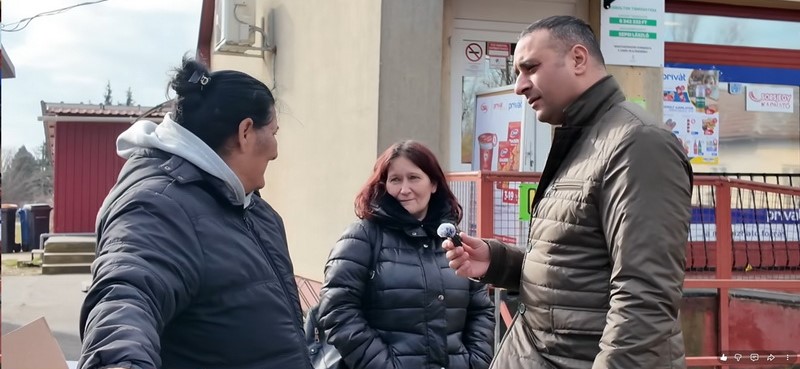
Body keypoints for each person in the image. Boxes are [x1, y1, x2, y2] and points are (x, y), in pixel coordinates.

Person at [444, 15, 693, 369]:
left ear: (578, 59)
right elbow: (579, 267)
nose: (519, 86)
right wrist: (498, 262)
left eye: (530, 68)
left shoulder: (638, 143)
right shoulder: (582, 137)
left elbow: (646, 296)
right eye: (517, 72)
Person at [78, 57, 313, 369]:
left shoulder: (255, 212)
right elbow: (123, 301)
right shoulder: (157, 206)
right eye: (273, 131)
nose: (276, 150)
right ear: (245, 132)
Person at [317, 140, 495, 369]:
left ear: (433, 184)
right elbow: (337, 309)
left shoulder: (454, 241)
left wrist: (476, 362)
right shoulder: (363, 237)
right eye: (395, 180)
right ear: (384, 185)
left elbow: (481, 309)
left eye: (414, 178)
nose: (404, 189)